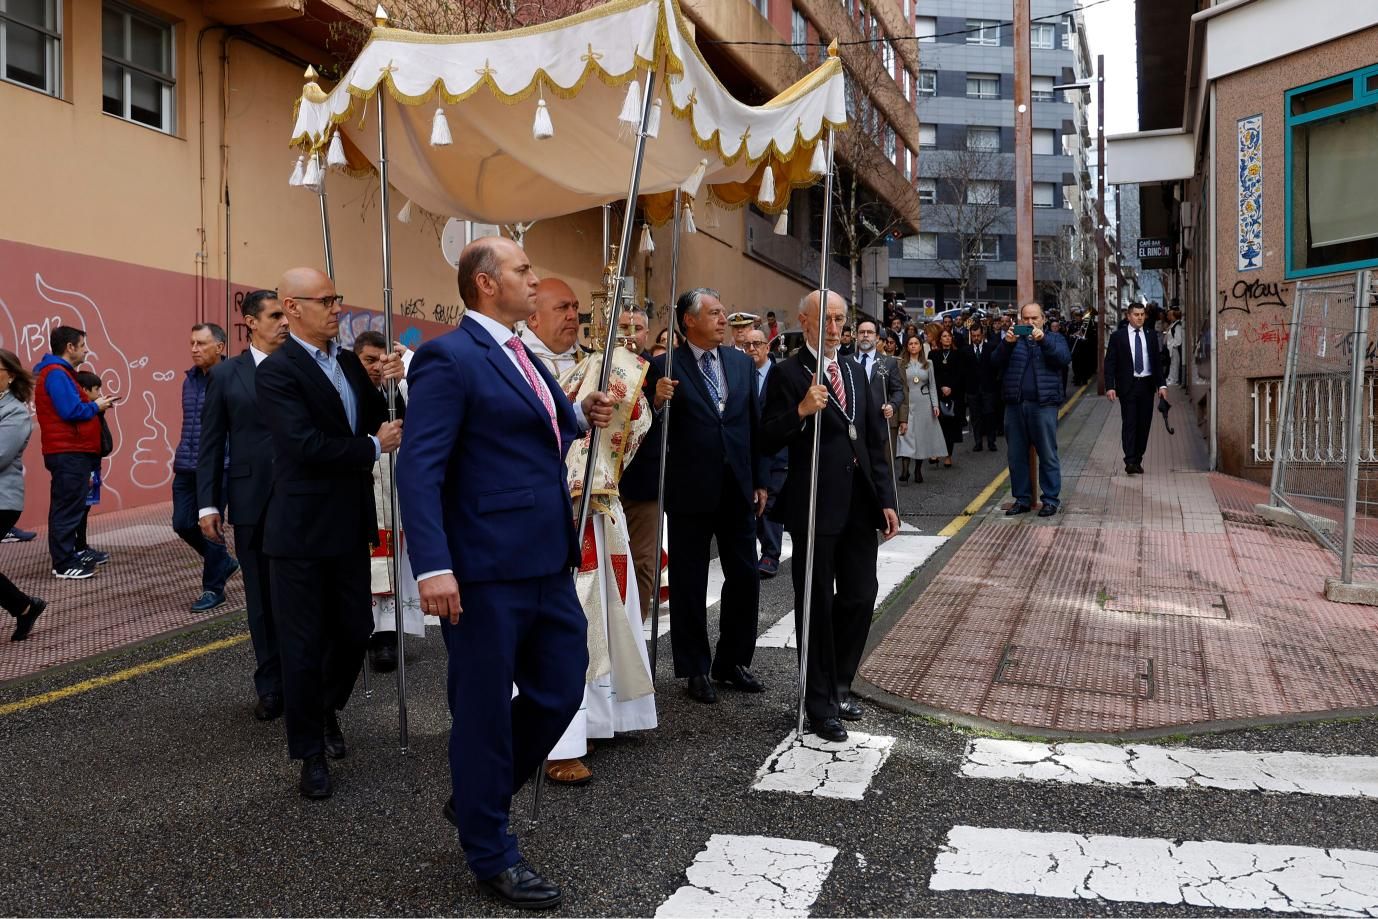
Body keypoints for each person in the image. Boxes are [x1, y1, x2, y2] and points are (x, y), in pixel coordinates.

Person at [396, 236, 613, 910]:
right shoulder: (449, 356)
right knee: (485, 714)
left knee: (559, 686)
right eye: (522, 269)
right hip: (483, 568)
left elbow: (534, 428)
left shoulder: (523, 354)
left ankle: (477, 795)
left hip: (545, 557)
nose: (532, 277)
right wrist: (432, 565)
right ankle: (491, 849)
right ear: (487, 283)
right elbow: (419, 466)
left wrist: (582, 418)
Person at [255, 267, 403, 800]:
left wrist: (390, 384)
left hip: (348, 522)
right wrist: (370, 446)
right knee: (301, 643)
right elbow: (303, 446)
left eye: (337, 298)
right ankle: (310, 751)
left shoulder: (345, 362)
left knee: (355, 629)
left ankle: (323, 708)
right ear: (292, 307)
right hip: (298, 529)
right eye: (324, 300)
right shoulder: (277, 371)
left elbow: (390, 419)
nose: (336, 307)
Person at [759, 290, 899, 742]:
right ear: (804, 320)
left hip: (859, 503)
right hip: (816, 502)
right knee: (815, 601)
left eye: (841, 319)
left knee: (861, 594)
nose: (836, 328)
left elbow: (875, 440)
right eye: (827, 319)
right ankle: (816, 701)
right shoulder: (788, 373)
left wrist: (888, 499)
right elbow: (765, 437)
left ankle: (838, 683)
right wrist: (801, 411)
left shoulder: (858, 372)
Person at [544, 307, 658, 785]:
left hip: (600, 508)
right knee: (567, 623)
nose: (571, 318)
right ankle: (558, 738)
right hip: (550, 513)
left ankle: (601, 718)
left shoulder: (606, 367)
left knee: (606, 614)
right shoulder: (518, 362)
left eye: (575, 310)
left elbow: (635, 427)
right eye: (560, 309)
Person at [653, 287, 767, 704]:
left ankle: (732, 660)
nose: (723, 320)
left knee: (745, 575)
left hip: (737, 485)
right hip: (690, 488)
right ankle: (695, 667)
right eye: (715, 313)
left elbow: (752, 424)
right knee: (689, 580)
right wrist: (657, 401)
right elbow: (650, 427)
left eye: (723, 312)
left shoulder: (739, 363)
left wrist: (760, 479)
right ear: (689, 321)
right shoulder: (667, 365)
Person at [198, 289, 288, 722]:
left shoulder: (303, 365)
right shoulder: (227, 375)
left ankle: (310, 680)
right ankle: (271, 683)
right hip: (251, 500)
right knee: (261, 599)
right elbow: (211, 443)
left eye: (287, 314)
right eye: (274, 315)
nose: (285, 322)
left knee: (302, 595)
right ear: (250, 322)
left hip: (304, 499)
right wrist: (207, 505)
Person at [352, 330, 420, 675]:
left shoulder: (394, 392)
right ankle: (362, 632)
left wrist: (397, 385)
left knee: (392, 565)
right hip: (360, 488)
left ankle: (387, 638)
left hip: (391, 487)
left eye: (382, 360)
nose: (377, 367)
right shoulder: (344, 391)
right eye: (369, 360)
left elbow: (409, 425)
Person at [33, 326, 118, 580]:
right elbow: (70, 411)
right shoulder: (57, 374)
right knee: (67, 507)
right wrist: (96, 405)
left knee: (69, 505)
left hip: (72, 451)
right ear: (70, 347)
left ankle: (68, 557)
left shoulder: (62, 374)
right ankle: (64, 563)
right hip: (68, 452)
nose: (86, 350)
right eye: (82, 346)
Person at [173, 324, 239, 613]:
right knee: (182, 523)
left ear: (220, 347)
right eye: (192, 343)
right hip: (186, 464)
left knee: (211, 526)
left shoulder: (233, 378)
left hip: (217, 466)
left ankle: (213, 588)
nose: (194, 349)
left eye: (201, 343)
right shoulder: (189, 381)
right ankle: (223, 562)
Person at [993, 302, 1070, 517]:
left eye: (1034, 318)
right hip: (1015, 405)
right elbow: (994, 362)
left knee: (1047, 453)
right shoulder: (1011, 340)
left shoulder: (1054, 338)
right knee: (1016, 455)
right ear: (1019, 320)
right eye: (1025, 319)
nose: (1030, 322)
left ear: (1043, 319)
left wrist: (1044, 341)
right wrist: (1007, 344)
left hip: (1043, 405)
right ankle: (1022, 499)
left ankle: (1051, 500)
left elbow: (1063, 359)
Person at [0, 350, 46, 641]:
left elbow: (0, 455)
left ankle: (25, 607)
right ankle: (25, 607)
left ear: (11, 375)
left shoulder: (15, 412)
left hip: (2, 501)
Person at [1105, 302, 1169, 476]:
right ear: (1129, 316)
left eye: (1142, 314)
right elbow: (1110, 363)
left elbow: (1157, 363)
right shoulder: (1118, 337)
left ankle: (1138, 459)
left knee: (1144, 424)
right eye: (1136, 314)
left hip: (1147, 385)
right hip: (1128, 386)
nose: (1140, 317)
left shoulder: (1150, 335)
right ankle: (1130, 460)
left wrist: (1161, 385)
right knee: (1130, 422)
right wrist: (1110, 386)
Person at [746, 328, 787, 578]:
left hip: (775, 452)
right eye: (747, 345)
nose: (752, 349)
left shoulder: (779, 374)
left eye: (757, 344)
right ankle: (753, 552)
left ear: (767, 348)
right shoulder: (741, 374)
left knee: (770, 504)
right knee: (750, 504)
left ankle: (771, 555)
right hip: (748, 452)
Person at [72, 372, 112, 562]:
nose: (99, 393)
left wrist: (100, 409)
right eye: (96, 389)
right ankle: (77, 548)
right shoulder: (81, 411)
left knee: (86, 506)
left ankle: (81, 546)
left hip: (93, 463)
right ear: (85, 390)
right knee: (79, 507)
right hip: (84, 464)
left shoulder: (92, 410)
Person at [853, 321, 904, 464]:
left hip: (878, 424)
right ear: (856, 336)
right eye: (861, 332)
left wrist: (892, 406)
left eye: (869, 332)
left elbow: (898, 391)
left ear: (876, 338)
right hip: (853, 426)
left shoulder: (888, 362)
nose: (865, 336)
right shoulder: (846, 361)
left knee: (879, 469)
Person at [895, 335, 945, 482]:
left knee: (921, 438)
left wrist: (935, 405)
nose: (913, 346)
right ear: (907, 346)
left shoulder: (928, 363)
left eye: (916, 343)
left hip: (924, 403)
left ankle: (917, 470)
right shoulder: (901, 364)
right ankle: (905, 471)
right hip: (907, 403)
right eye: (910, 343)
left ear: (920, 346)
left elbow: (932, 386)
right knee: (906, 435)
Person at [522, 278, 583, 376]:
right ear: (533, 318)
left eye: (575, 307)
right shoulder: (516, 364)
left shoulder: (593, 362)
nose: (573, 315)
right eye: (562, 307)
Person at [931, 329, 970, 468]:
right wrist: (941, 386)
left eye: (949, 336)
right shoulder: (933, 354)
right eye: (944, 336)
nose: (947, 338)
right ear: (939, 339)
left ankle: (948, 455)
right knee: (937, 425)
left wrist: (950, 387)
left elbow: (961, 374)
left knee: (950, 427)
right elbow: (932, 373)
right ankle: (935, 452)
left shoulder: (958, 354)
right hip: (938, 393)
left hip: (954, 395)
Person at [965, 326, 999, 452]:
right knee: (975, 417)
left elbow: (995, 367)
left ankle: (991, 441)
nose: (976, 338)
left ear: (982, 335)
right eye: (973, 336)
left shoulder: (990, 348)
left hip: (988, 387)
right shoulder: (966, 350)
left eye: (978, 336)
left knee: (989, 414)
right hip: (973, 389)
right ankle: (978, 442)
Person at [1165, 307, 1184, 387]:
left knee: (1175, 364)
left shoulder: (1177, 326)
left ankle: (1174, 379)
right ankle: (1171, 378)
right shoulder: (1174, 324)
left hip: (1174, 349)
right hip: (1172, 348)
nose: (1169, 317)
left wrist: (1173, 345)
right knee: (1172, 364)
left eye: (1171, 315)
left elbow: (1178, 339)